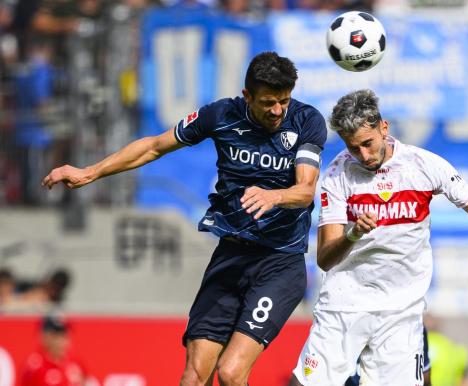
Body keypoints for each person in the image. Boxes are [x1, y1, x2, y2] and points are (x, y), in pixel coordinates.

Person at [42, 51, 327, 386]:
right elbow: (154, 146)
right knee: (193, 376)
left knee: (231, 373)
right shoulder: (220, 114)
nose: (278, 111)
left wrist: (274, 195)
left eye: (284, 101)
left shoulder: (306, 120)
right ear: (247, 96)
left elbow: (306, 189)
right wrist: (90, 173)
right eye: (268, 102)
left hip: (279, 263)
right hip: (231, 256)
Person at [290, 89, 468, 386]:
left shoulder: (424, 164)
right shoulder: (338, 174)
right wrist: (353, 235)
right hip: (345, 304)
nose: (364, 156)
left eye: (368, 144)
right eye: (354, 148)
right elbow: (325, 258)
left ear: (384, 127)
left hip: (400, 311)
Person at [21, 314, 88, 386]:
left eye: (64, 335)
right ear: (44, 336)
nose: (61, 341)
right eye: (56, 336)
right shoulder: (34, 367)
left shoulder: (76, 363)